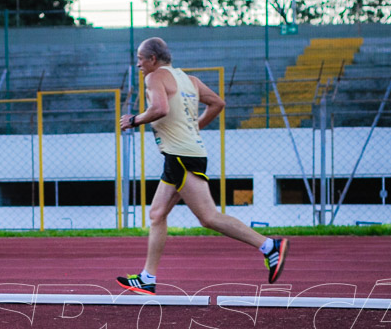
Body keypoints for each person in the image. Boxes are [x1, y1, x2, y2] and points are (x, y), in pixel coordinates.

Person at [117, 37, 289, 295]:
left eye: (141, 58)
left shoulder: (154, 78)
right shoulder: (190, 81)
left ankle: (268, 246)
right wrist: (193, 127)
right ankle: (147, 278)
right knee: (157, 214)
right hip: (183, 153)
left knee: (208, 217)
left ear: (153, 59)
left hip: (180, 155)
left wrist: (134, 119)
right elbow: (218, 103)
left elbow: (160, 108)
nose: (138, 64)